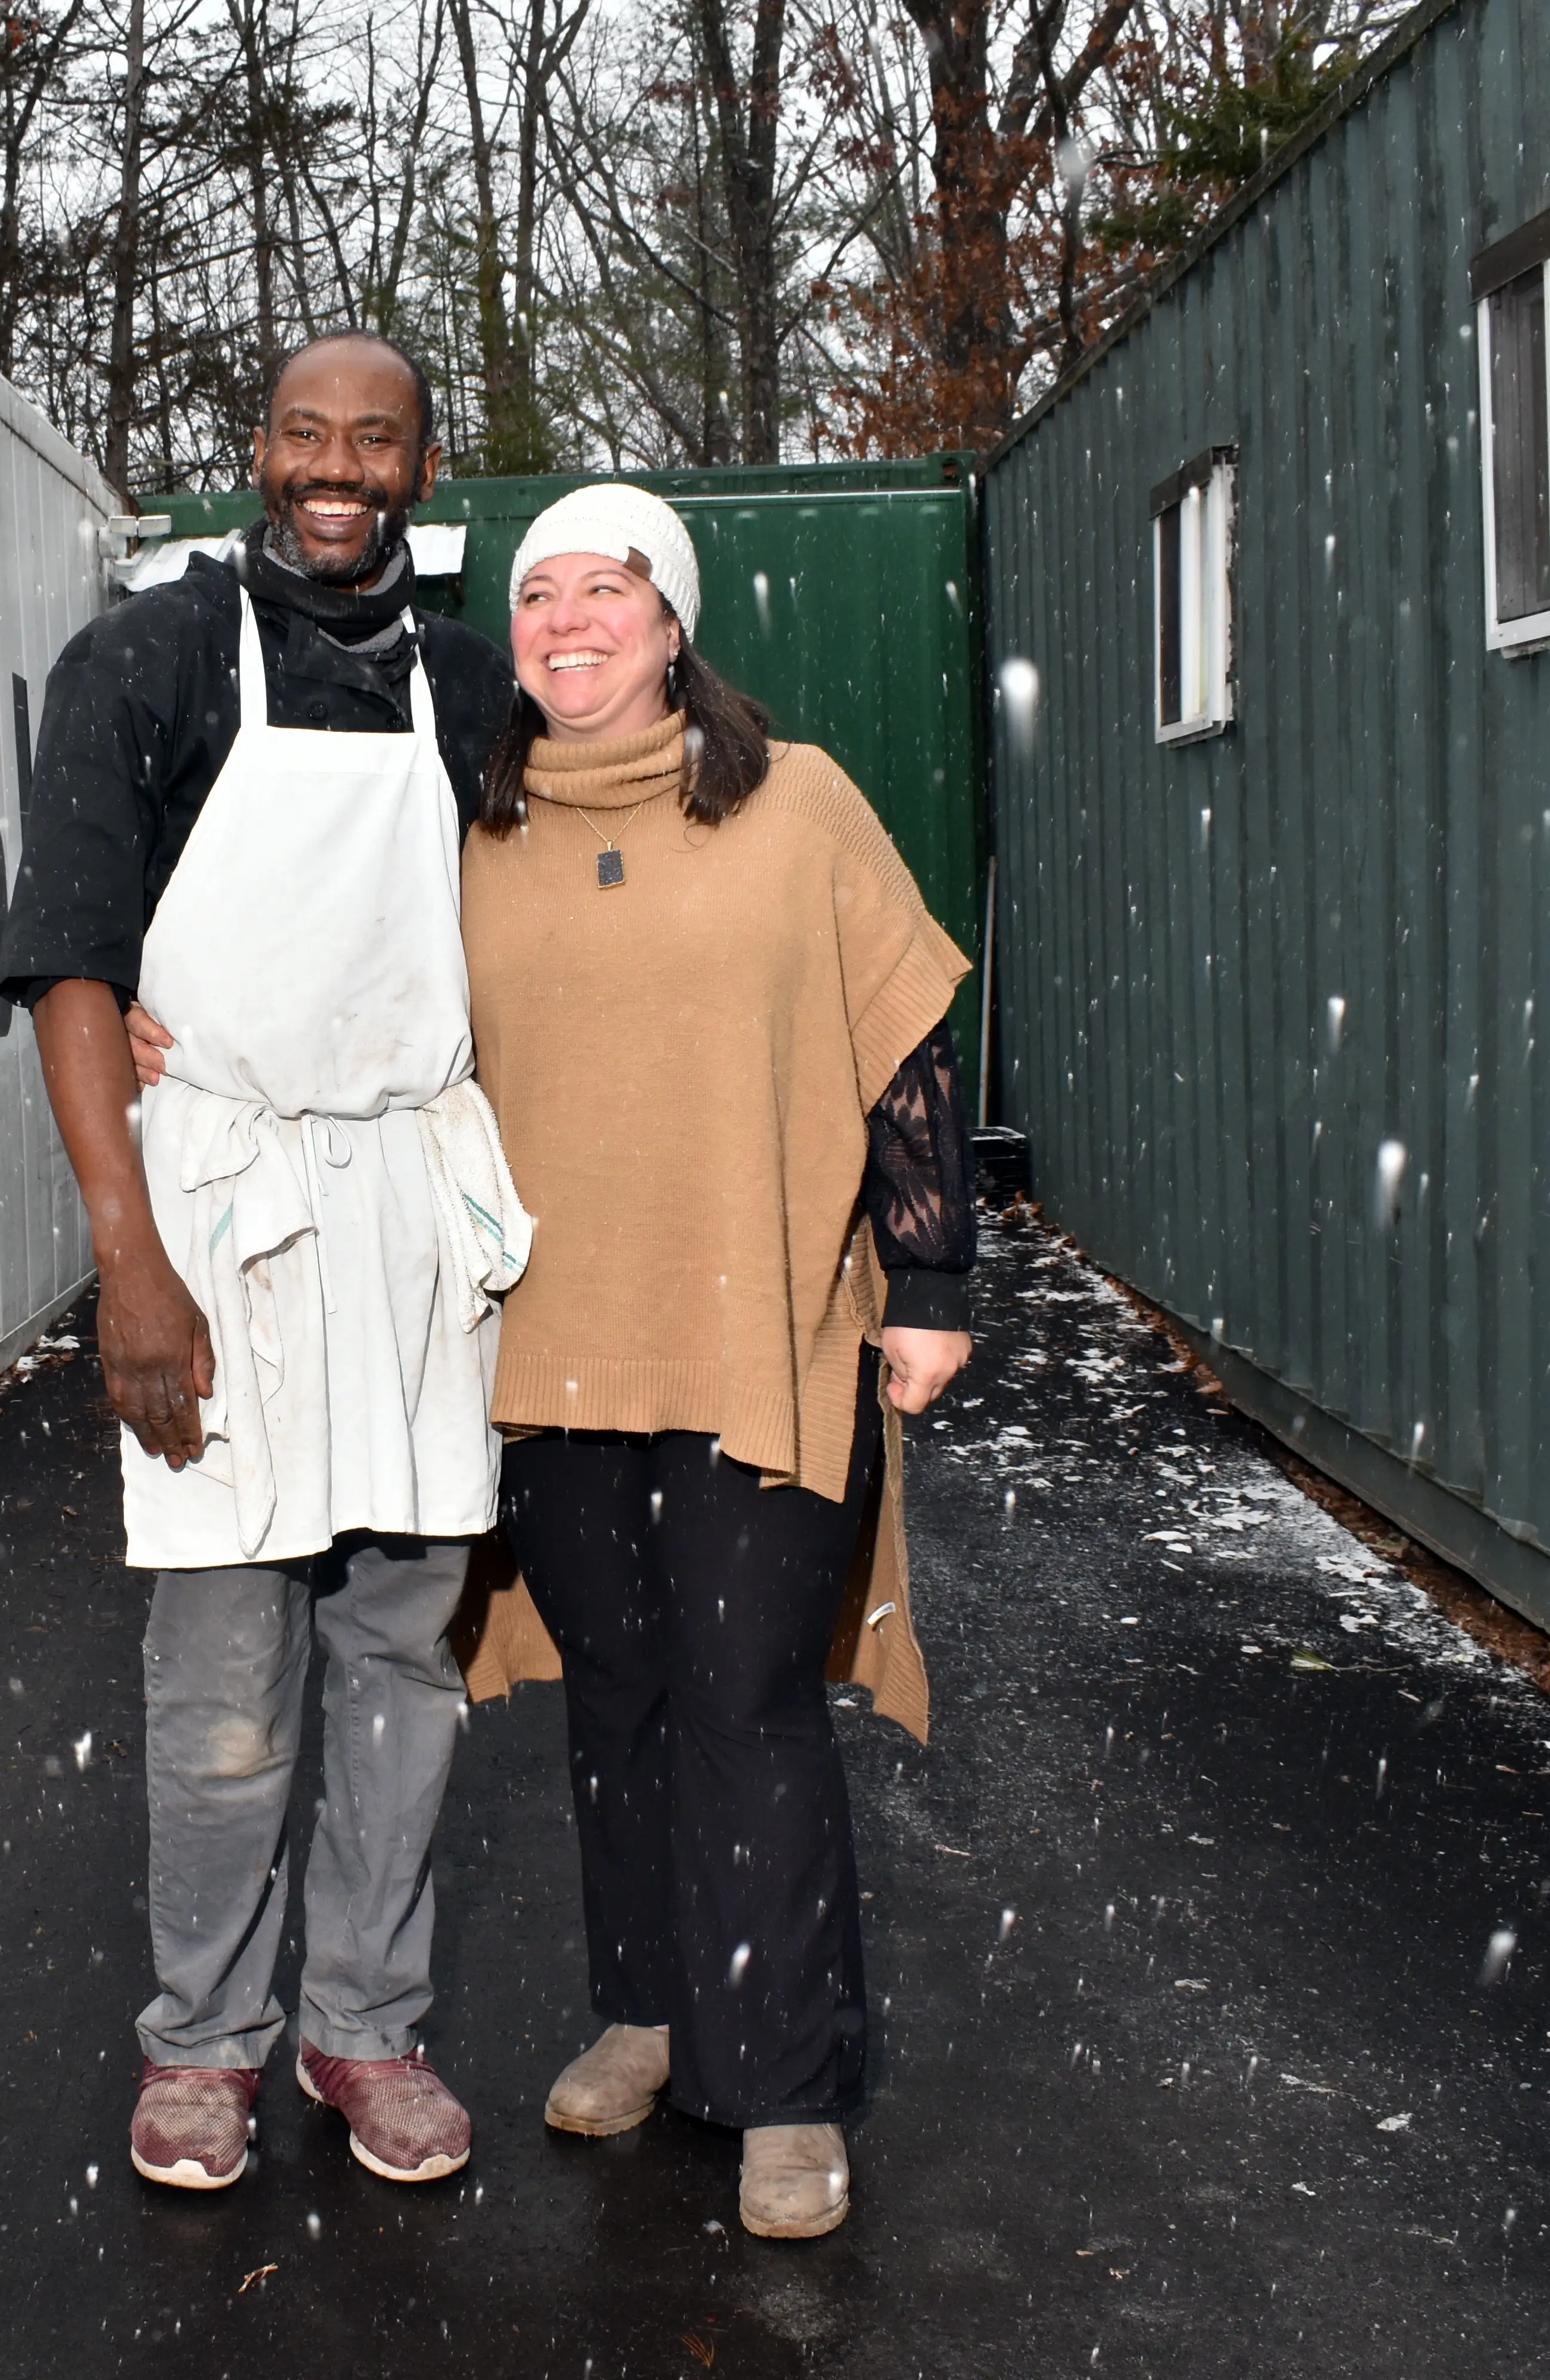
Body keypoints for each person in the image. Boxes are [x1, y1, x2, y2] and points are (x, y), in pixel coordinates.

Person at [0, 331, 533, 2194]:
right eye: (306, 435)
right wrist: (128, 1261)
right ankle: (202, 2046)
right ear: (257, 451)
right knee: (226, 1668)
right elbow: (72, 962)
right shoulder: (144, 659)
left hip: (408, 1219)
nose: (337, 468)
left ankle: (362, 2029)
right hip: (221, 1211)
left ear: (420, 466)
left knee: (401, 1658)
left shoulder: (470, 689)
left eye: (374, 441)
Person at [458, 483, 975, 2240]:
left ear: (675, 624)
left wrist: (932, 1276)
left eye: (608, 588)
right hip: (555, 1349)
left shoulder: (794, 804)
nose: (570, 621)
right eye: (539, 594)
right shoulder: (475, 823)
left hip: (762, 1326)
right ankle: (654, 2013)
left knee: (748, 1700)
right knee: (620, 1701)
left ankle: (788, 2092)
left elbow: (901, 1034)